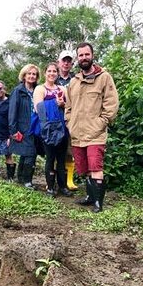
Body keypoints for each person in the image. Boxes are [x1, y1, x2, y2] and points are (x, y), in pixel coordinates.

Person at [64, 42, 119, 212]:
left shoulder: (104, 77)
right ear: (77, 58)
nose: (84, 58)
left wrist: (102, 122)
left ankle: (98, 203)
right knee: (84, 168)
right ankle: (89, 197)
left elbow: (111, 104)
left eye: (87, 54)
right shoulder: (73, 81)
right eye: (80, 55)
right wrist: (69, 122)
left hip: (96, 133)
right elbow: (68, 106)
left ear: (92, 55)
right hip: (77, 134)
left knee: (96, 167)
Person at [33, 62, 72, 197]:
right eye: (49, 71)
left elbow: (69, 106)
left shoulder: (62, 88)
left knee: (62, 158)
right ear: (45, 73)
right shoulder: (40, 89)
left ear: (57, 73)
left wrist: (63, 103)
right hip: (48, 129)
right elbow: (39, 108)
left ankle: (63, 186)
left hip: (62, 128)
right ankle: (50, 187)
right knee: (50, 157)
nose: (52, 74)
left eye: (54, 71)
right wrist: (55, 103)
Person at [8, 64, 40, 188]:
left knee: (27, 153)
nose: (32, 76)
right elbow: (12, 112)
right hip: (22, 127)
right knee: (30, 153)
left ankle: (21, 178)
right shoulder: (18, 90)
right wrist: (13, 130)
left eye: (34, 74)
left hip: (35, 126)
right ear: (24, 75)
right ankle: (27, 181)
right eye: (29, 74)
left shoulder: (38, 89)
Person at [56, 49, 78, 190]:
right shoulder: (52, 77)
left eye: (69, 61)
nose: (66, 63)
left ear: (71, 64)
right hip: (56, 120)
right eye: (64, 60)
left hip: (71, 119)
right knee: (55, 149)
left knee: (70, 150)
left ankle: (69, 180)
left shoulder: (76, 80)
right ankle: (52, 179)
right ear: (59, 62)